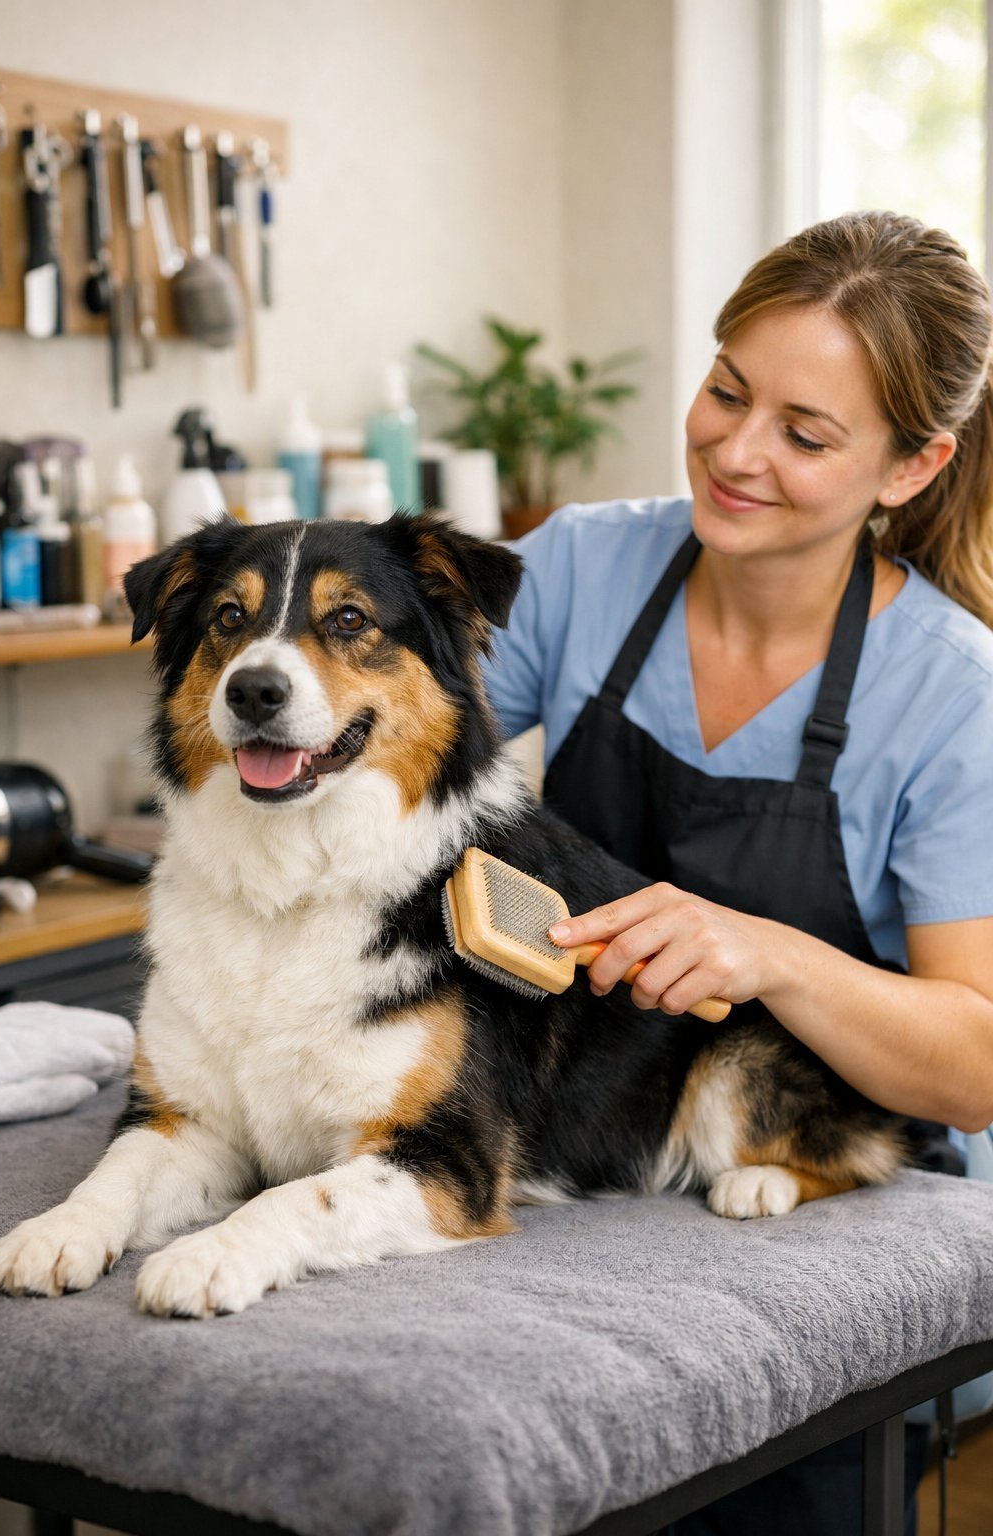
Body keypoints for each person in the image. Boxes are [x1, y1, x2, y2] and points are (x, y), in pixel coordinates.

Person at [480, 210, 993, 1535]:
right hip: (594, 1174)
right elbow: (411, 765)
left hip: (834, 1205)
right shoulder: (581, 568)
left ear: (912, 465)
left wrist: (771, 952)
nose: (736, 450)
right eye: (725, 391)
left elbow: (977, 1063)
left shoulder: (952, 695)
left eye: (805, 434)